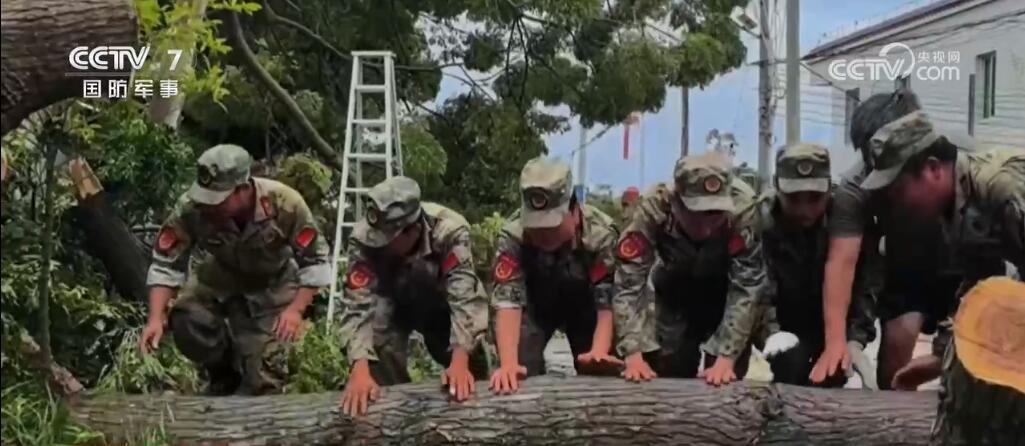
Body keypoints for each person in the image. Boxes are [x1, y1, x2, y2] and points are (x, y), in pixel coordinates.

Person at [140, 144, 331, 395]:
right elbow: (166, 264)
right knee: (186, 317)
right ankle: (221, 372)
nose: (209, 206)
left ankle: (252, 366)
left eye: (217, 199)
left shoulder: (284, 203)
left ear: (243, 189)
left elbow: (316, 261)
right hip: (220, 277)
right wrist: (155, 319)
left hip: (273, 285)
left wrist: (295, 310)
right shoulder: (192, 208)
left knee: (264, 380)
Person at [860, 111, 1024, 390]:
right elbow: (978, 292)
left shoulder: (1001, 188)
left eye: (899, 191)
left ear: (933, 169)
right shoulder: (955, 211)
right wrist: (939, 356)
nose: (894, 204)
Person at [810, 89, 962, 389]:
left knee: (970, 359)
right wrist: (836, 341)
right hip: (906, 266)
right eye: (871, 155)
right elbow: (842, 260)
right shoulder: (855, 188)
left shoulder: (960, 163)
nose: (878, 162)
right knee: (897, 355)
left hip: (962, 260)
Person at [337, 176, 489, 416]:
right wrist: (359, 369)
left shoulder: (449, 231)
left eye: (389, 239)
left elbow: (463, 297)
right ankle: (395, 412)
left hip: (442, 305)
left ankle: (477, 414)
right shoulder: (364, 238)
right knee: (377, 341)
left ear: (414, 231)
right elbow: (357, 304)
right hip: (392, 301)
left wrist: (460, 361)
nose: (382, 245)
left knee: (469, 368)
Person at [614, 151, 767, 386]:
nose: (706, 227)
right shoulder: (654, 208)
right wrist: (633, 352)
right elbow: (629, 283)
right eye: (696, 214)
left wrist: (727, 357)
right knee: (669, 365)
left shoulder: (743, 210)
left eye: (715, 215)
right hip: (675, 287)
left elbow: (747, 286)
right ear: (676, 202)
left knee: (723, 379)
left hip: (725, 291)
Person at [489, 157, 621, 394]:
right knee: (517, 373)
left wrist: (599, 350)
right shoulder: (513, 236)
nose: (544, 235)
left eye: (551, 226)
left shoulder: (601, 235)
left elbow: (607, 300)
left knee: (599, 371)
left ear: (574, 211)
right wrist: (508, 364)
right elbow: (508, 301)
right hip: (535, 306)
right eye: (536, 227)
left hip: (586, 308)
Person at [754, 142, 876, 387]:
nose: (805, 209)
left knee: (833, 372)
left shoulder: (849, 219)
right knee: (790, 363)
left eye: (814, 198)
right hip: (783, 321)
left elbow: (866, 284)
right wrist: (772, 333)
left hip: (832, 322)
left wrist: (854, 340)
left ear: (829, 187)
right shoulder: (761, 221)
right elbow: (757, 287)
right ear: (777, 186)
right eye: (794, 198)